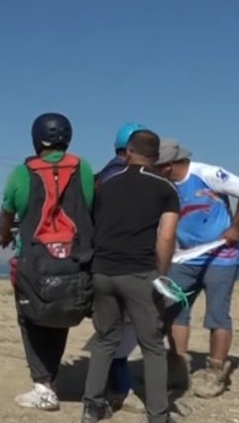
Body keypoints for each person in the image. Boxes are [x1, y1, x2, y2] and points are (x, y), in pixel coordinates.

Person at [0, 112, 97, 411]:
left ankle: (43, 386)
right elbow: (88, 205)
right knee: (60, 315)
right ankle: (49, 377)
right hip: (75, 260)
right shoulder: (85, 168)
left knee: (32, 320)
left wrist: (4, 236)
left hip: (35, 262)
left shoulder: (20, 173)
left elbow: (8, 213)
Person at [80, 129, 180, 423]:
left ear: (128, 152)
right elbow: (167, 235)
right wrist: (161, 273)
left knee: (104, 340)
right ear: (157, 156)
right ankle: (159, 415)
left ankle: (92, 406)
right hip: (139, 272)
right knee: (152, 346)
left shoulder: (106, 184)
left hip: (102, 271)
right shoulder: (165, 188)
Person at [154, 138, 239, 399]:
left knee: (217, 314)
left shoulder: (208, 173)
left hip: (221, 255)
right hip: (186, 257)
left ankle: (216, 370)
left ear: (167, 165)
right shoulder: (164, 185)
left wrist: (235, 226)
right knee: (174, 310)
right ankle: (177, 367)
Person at [92, 122, 150, 414]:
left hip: (101, 263)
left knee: (109, 330)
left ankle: (106, 392)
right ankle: (118, 390)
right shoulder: (133, 179)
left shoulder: (100, 178)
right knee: (126, 332)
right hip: (130, 264)